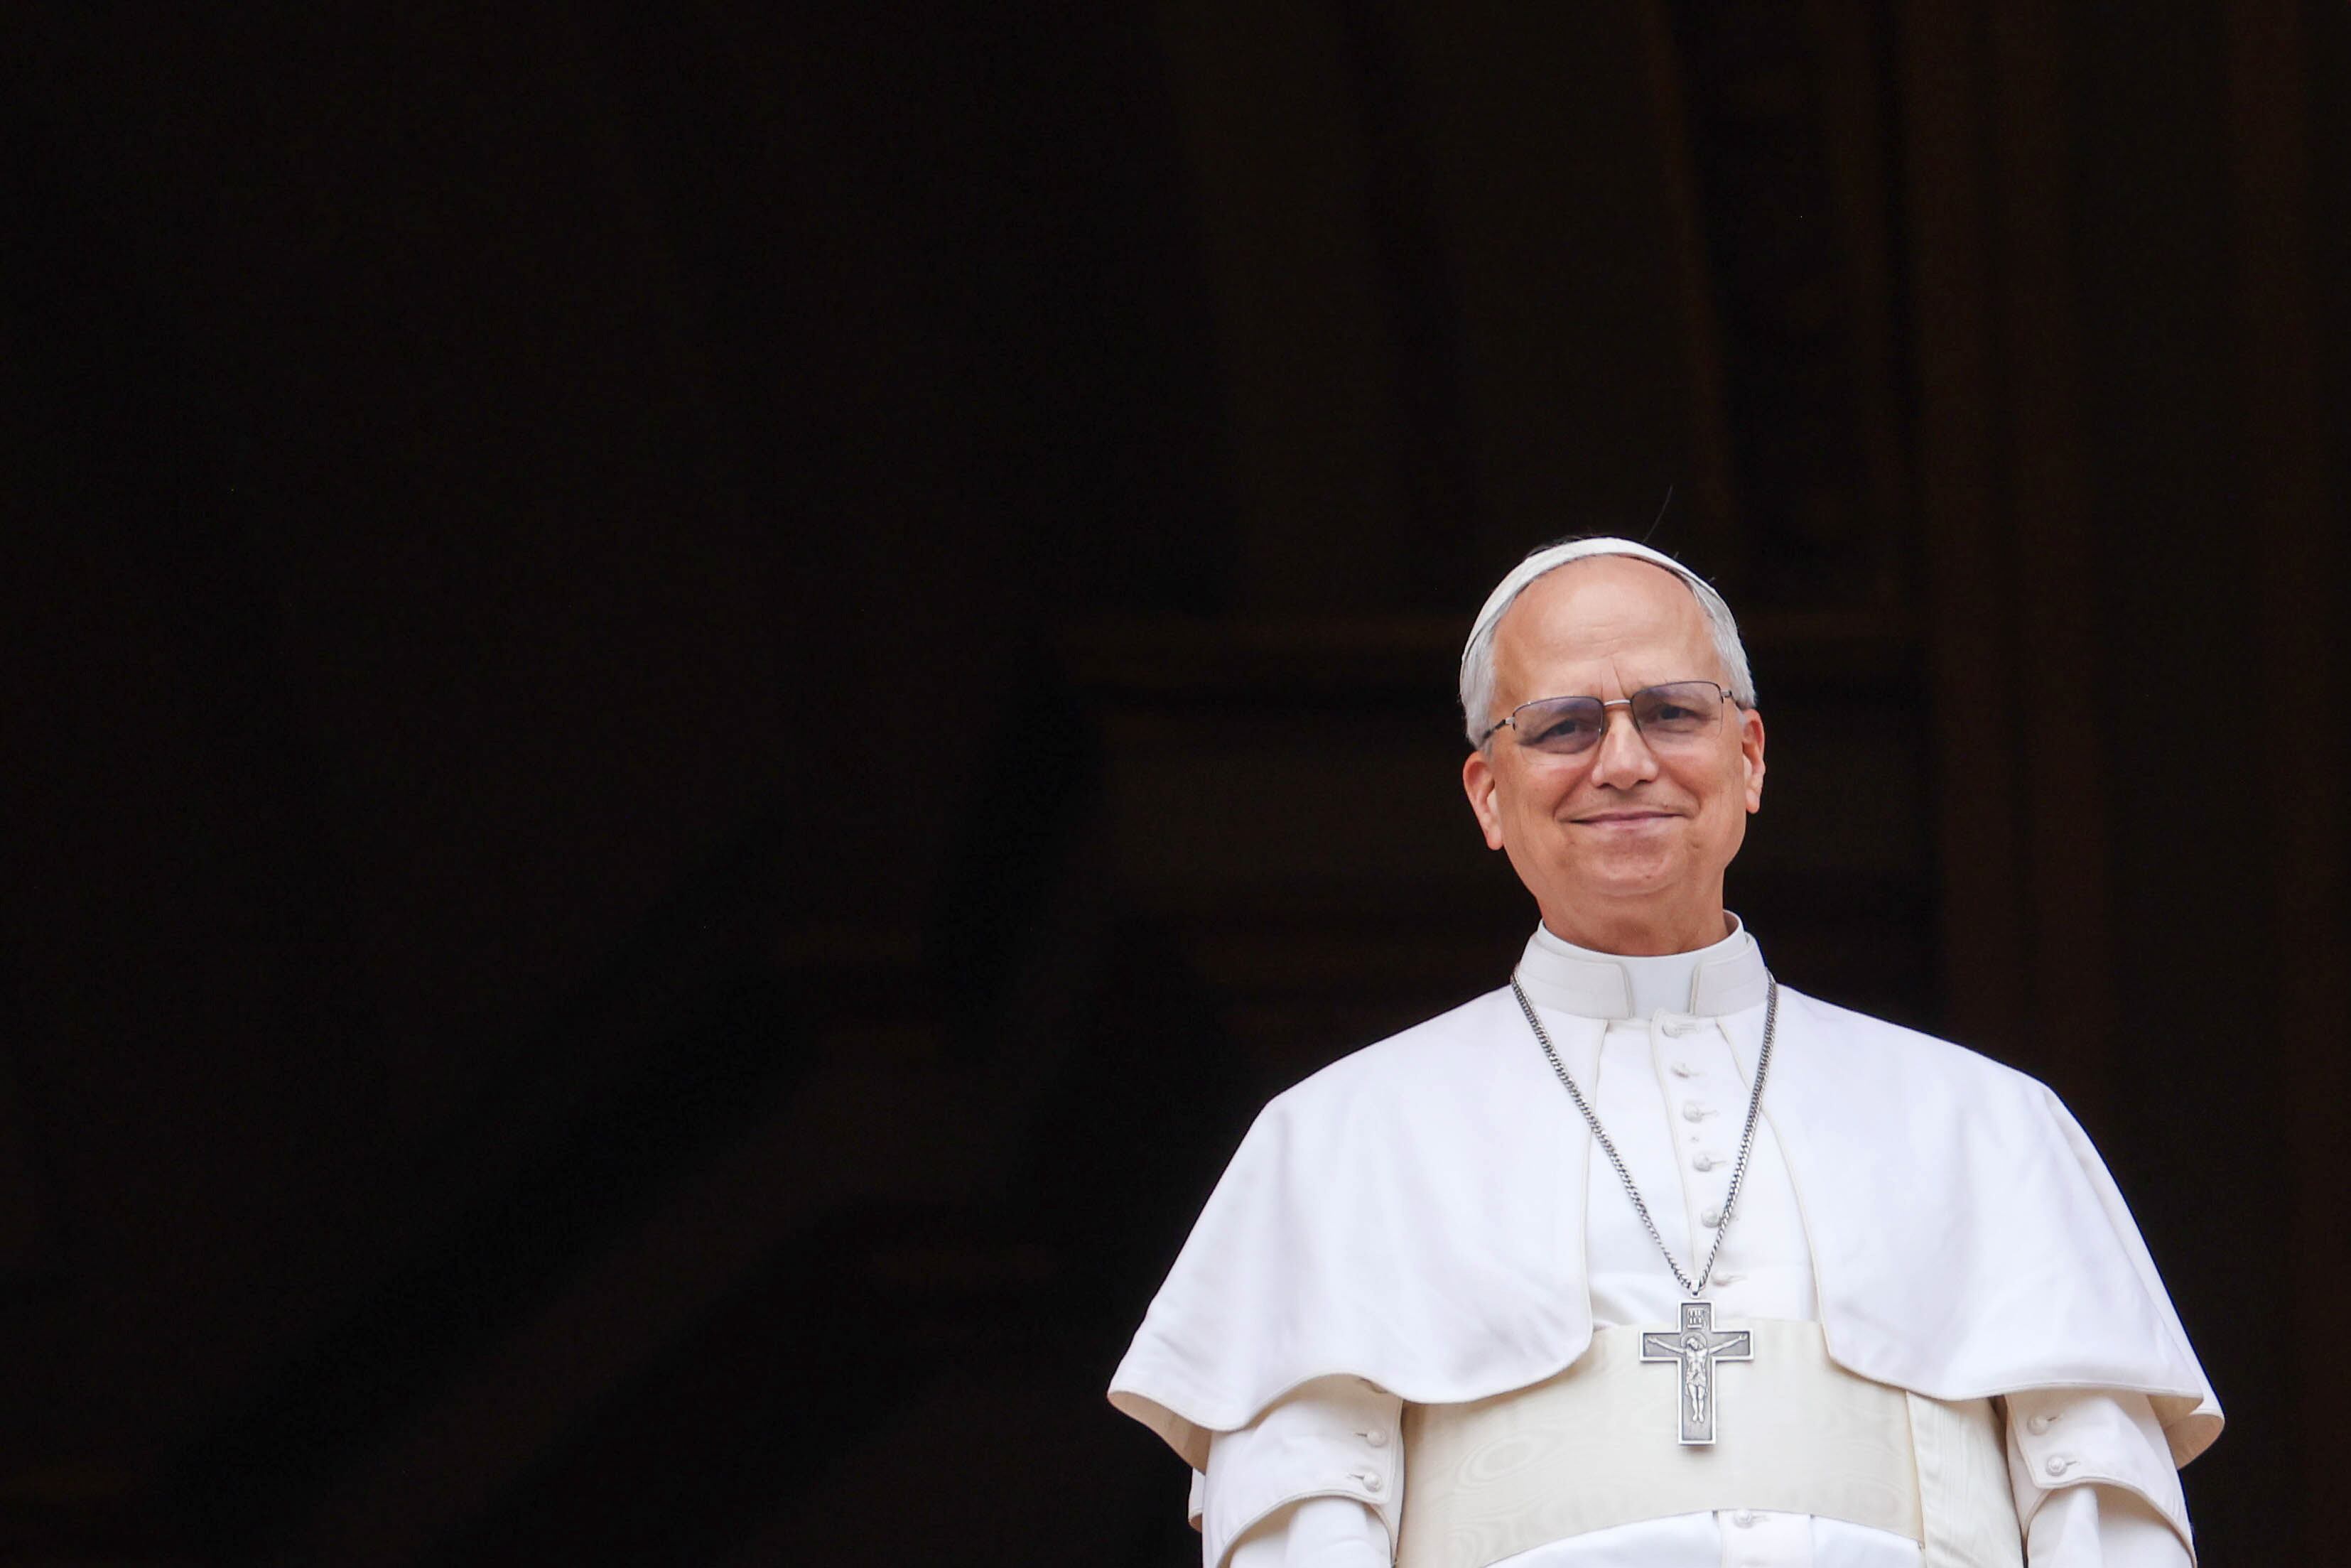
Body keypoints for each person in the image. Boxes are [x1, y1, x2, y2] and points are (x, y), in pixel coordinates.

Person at [1109, 538, 2217, 1568]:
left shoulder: (1986, 1125)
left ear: (1748, 757)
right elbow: (1301, 1528)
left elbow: (2100, 1517)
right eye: (1560, 728)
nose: (1624, 762)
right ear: (1488, 795)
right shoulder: (1336, 1141)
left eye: (1671, 714)